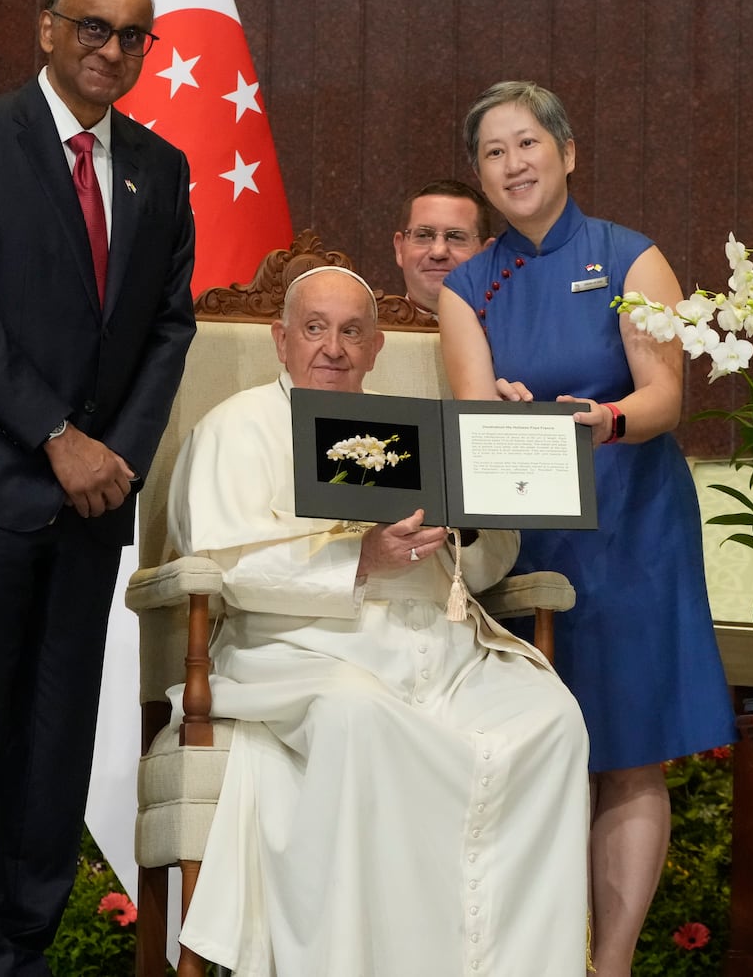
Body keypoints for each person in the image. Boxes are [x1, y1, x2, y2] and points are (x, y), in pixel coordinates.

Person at [0, 0, 196, 976]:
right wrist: (54, 436)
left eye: (132, 37)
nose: (112, 51)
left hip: (94, 500)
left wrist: (119, 456)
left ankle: (25, 946)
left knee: (56, 737)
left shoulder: (161, 166)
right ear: (47, 29)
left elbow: (168, 323)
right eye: (93, 29)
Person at [167, 265, 591, 976]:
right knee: (357, 715)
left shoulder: (414, 429)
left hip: (437, 645)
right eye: (314, 328)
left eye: (352, 331)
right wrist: (358, 561)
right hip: (299, 647)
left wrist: (470, 519)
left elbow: (484, 571)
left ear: (376, 346)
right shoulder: (235, 428)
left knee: (552, 717)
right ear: (281, 340)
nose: (332, 347)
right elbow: (225, 570)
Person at [438, 80, 737, 976]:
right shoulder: (468, 285)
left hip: (633, 524)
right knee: (537, 748)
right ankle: (535, 954)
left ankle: (608, 965)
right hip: (527, 534)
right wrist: (500, 408)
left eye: (527, 143)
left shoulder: (633, 258)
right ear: (480, 178)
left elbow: (666, 396)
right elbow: (468, 405)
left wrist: (602, 418)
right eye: (493, 152)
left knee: (631, 749)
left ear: (567, 153)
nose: (513, 164)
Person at [391, 178, 496, 318]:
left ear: (486, 255)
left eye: (456, 237)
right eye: (423, 235)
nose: (438, 252)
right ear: (400, 249)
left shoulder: (516, 334)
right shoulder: (366, 335)